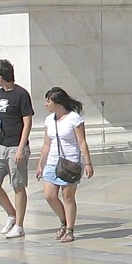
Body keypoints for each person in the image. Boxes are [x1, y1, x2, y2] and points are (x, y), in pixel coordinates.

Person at [33, 87, 94, 242]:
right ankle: (63, 220)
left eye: (48, 101)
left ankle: (69, 230)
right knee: (49, 195)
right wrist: (41, 164)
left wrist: (88, 163)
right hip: (53, 162)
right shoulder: (49, 120)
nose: (45, 104)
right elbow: (47, 143)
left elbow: (82, 142)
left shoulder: (74, 118)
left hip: (70, 163)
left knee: (68, 197)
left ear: (58, 103)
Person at [0, 59, 33, 238]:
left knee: (18, 185)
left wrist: (21, 148)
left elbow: (27, 122)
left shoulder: (21, 94)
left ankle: (19, 225)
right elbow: (1, 114)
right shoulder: (0, 93)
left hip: (15, 145)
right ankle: (11, 214)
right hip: (0, 143)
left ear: (0, 77)